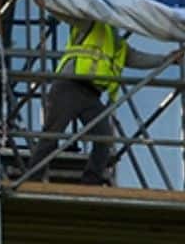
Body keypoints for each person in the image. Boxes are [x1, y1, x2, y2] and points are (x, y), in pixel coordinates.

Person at [25, 18, 166, 185]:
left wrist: (166, 59)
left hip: (91, 95)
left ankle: (90, 182)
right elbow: (67, 14)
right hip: (68, 85)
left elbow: (138, 58)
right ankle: (31, 179)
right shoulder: (92, 23)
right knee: (52, 135)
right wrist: (48, 3)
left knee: (104, 139)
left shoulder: (118, 44)